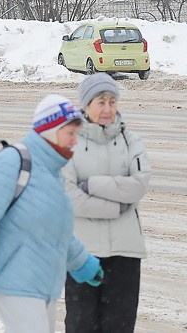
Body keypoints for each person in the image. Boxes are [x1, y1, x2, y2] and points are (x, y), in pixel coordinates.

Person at [0, 94, 105, 333]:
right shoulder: (13, 162)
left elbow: (54, 230)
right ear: (50, 131)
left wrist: (83, 264)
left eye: (77, 134)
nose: (75, 141)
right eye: (70, 133)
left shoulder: (52, 172)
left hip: (44, 283)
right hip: (15, 279)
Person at [63, 73, 150, 333]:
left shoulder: (131, 141)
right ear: (87, 105)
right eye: (101, 102)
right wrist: (116, 207)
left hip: (125, 251)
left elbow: (138, 185)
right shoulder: (69, 142)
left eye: (112, 102)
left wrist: (90, 184)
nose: (108, 109)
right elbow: (68, 195)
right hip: (82, 252)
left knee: (119, 326)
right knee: (81, 324)